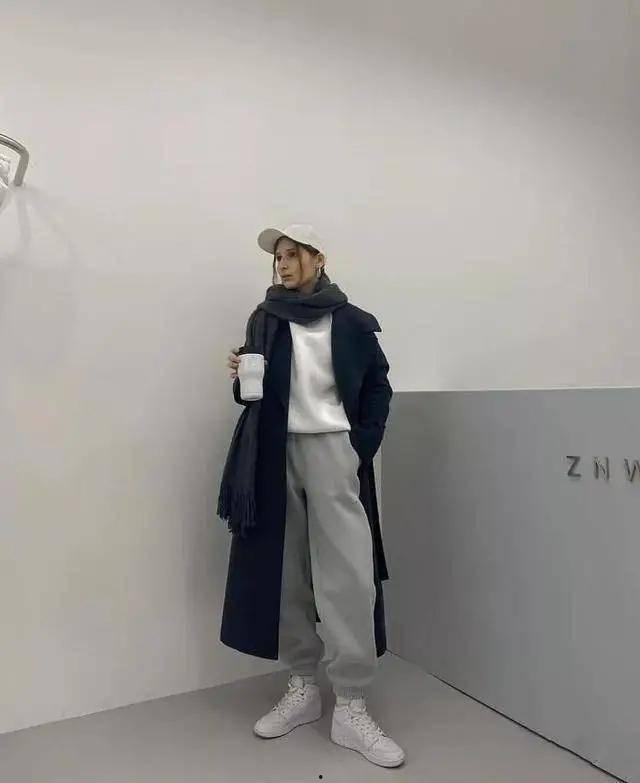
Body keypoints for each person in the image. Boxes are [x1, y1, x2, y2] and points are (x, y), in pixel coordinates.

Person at [219, 224, 405, 768]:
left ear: (318, 258)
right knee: (286, 573)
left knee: (348, 574)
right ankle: (303, 685)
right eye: (278, 256)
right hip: (274, 454)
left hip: (333, 451)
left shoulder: (351, 321)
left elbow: (379, 387)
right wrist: (240, 376)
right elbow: (254, 395)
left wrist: (358, 447)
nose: (282, 263)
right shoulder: (265, 318)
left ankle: (351, 703)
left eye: (292, 254)